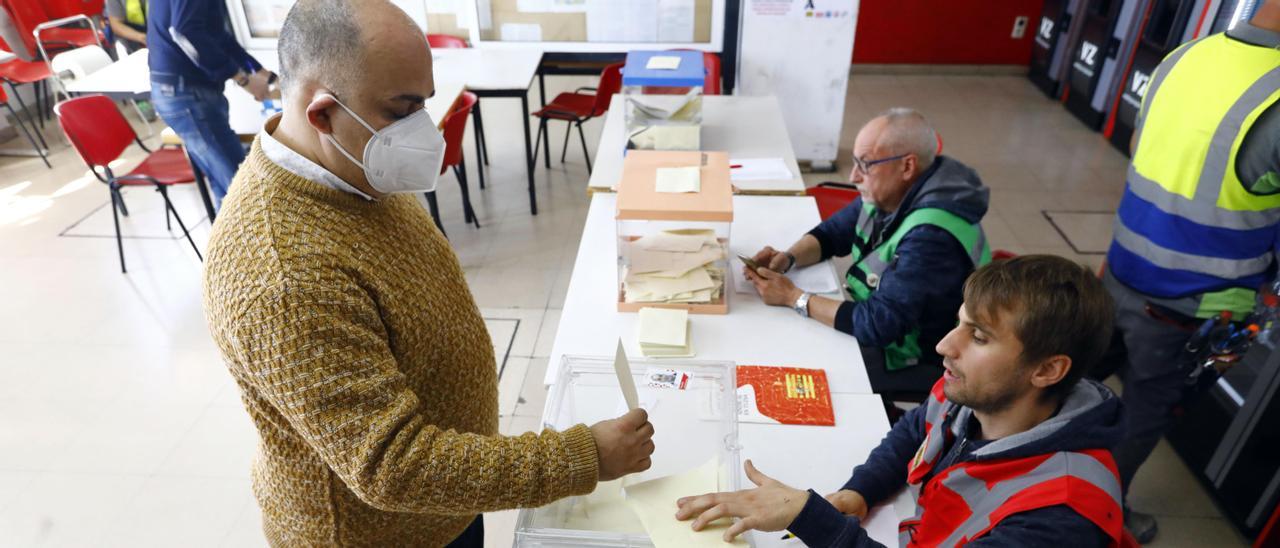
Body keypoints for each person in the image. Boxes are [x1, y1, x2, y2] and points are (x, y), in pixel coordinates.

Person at [201, 0, 655, 545]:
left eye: (424, 104)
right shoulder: (283, 276)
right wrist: (581, 457)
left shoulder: (352, 167)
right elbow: (393, 466)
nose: (420, 129)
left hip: (442, 506)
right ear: (321, 114)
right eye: (402, 108)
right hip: (383, 532)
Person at [677, 255, 1129, 547]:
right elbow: (917, 429)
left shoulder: (1058, 515)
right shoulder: (975, 394)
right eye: (959, 324)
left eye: (979, 337)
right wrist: (861, 490)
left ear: (1048, 370)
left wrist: (811, 518)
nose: (945, 347)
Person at [1100, 1, 1280, 542]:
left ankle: (1033, 477)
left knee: (1081, 383)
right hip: (1195, 303)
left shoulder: (1188, 54)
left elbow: (1139, 146)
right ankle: (1099, 510)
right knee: (1145, 410)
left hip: (1122, 268)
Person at [748, 108, 990, 403]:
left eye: (865, 164)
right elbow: (834, 233)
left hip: (926, 360)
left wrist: (793, 298)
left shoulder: (931, 238)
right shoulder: (899, 190)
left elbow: (877, 325)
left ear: (907, 166)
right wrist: (787, 259)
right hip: (889, 330)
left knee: (798, 370)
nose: (853, 176)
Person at [147, 0, 273, 209]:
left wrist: (258, 70)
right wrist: (243, 79)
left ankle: (230, 240)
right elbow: (185, 32)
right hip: (186, 95)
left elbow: (216, 34)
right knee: (243, 189)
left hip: (192, 91)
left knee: (228, 187)